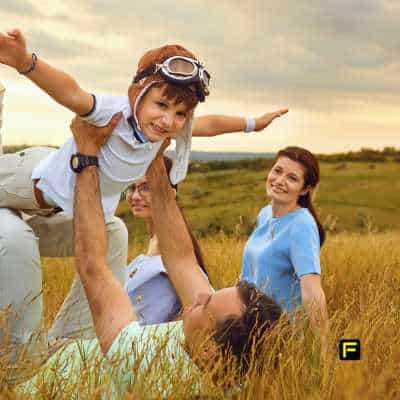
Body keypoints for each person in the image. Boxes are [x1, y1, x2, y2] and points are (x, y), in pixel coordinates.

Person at [0, 47, 286, 353]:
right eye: (161, 105)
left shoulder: (160, 133)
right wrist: (25, 62)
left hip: (63, 204)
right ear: (136, 93)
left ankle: (69, 342)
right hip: (32, 181)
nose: (168, 120)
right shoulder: (116, 114)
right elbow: (71, 93)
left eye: (180, 114)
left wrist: (253, 124)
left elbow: (211, 125)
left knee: (114, 233)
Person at [17, 116, 283, 397]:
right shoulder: (223, 354)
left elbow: (94, 268)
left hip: (36, 384)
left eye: (206, 306)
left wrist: (86, 157)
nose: (201, 296)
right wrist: (155, 157)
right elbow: (182, 259)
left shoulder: (144, 366)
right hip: (63, 351)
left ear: (209, 350)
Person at [240, 146, 328, 346]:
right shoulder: (264, 214)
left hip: (281, 335)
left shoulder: (301, 225)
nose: (279, 181)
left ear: (305, 189)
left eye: (292, 178)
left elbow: (312, 291)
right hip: (251, 326)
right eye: (277, 171)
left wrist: (320, 352)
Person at [124, 156, 209, 325]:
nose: (135, 196)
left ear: (170, 194)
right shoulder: (154, 241)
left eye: (145, 188)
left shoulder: (170, 248)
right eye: (131, 188)